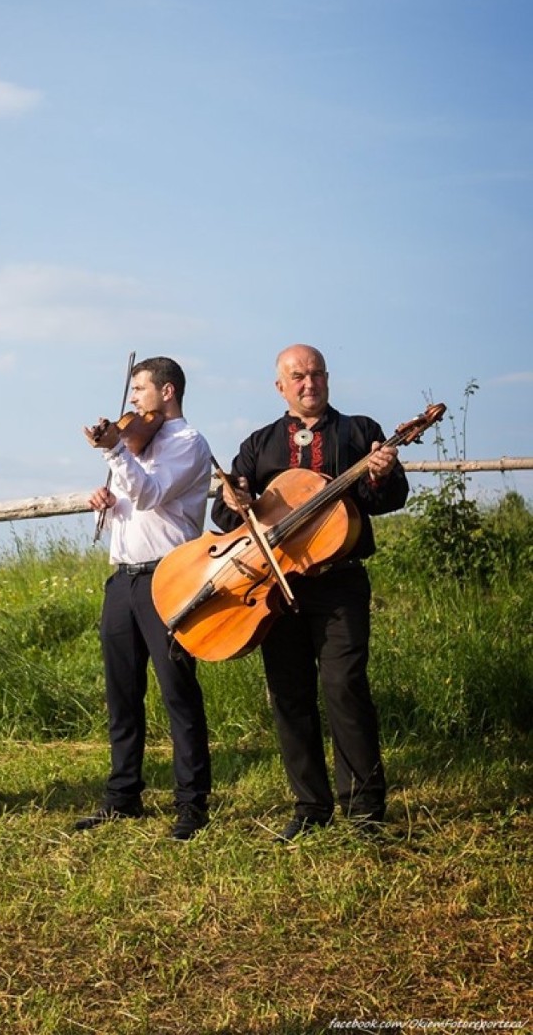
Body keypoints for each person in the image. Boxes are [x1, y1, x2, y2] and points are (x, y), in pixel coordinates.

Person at [211, 344, 408, 841]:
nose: (308, 383)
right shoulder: (259, 445)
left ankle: (364, 809)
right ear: (281, 386)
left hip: (339, 582)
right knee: (289, 695)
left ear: (328, 378)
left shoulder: (361, 432)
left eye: (316, 373)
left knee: (345, 687)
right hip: (276, 587)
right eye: (297, 376)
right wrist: (234, 498)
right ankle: (310, 805)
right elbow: (227, 516)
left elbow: (390, 498)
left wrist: (381, 475)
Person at [76, 356, 213, 841]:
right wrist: (109, 504)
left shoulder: (188, 442)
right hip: (123, 578)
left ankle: (192, 804)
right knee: (123, 694)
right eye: (132, 391)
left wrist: (116, 453)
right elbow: (136, 508)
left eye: (139, 389)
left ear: (167, 391)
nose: (132, 400)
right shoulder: (136, 443)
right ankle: (123, 797)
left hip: (168, 578)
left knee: (177, 691)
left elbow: (153, 495)